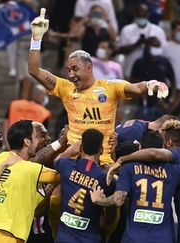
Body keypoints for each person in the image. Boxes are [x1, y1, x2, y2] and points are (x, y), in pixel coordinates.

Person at [28, 8, 169, 166]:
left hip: (103, 161)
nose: (71, 74)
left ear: (89, 68)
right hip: (73, 160)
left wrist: (152, 84)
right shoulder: (65, 87)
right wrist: (36, 38)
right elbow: (34, 70)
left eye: (75, 69)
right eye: (68, 70)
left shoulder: (110, 87)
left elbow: (136, 88)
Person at [91, 129, 180, 243]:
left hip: (134, 238)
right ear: (162, 147)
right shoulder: (176, 170)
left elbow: (118, 200)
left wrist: (99, 200)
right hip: (164, 238)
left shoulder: (128, 169)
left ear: (140, 147)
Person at [52, 128, 114, 242]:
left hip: (64, 239)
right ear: (101, 150)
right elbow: (110, 218)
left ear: (80, 148)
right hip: (90, 238)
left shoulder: (66, 165)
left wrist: (70, 151)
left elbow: (56, 160)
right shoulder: (106, 178)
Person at [130, 36, 176, 120]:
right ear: (148, 47)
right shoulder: (139, 62)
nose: (157, 49)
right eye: (154, 46)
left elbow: (173, 80)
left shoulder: (164, 62)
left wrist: (171, 99)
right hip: (144, 103)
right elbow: (132, 81)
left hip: (161, 103)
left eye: (158, 46)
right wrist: (138, 94)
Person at [117, 4, 167, 78]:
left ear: (148, 14)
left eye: (143, 15)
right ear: (135, 14)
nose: (141, 17)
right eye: (139, 15)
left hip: (153, 73)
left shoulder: (158, 31)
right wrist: (138, 44)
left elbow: (163, 52)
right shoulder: (127, 30)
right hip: (130, 72)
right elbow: (121, 51)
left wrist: (149, 45)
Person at [2, 84, 52, 148]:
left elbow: (5, 124)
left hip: (11, 142)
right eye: (44, 95)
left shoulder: (14, 104)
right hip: (29, 147)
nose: (45, 98)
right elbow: (42, 135)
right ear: (39, 95)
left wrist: (7, 144)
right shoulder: (45, 112)